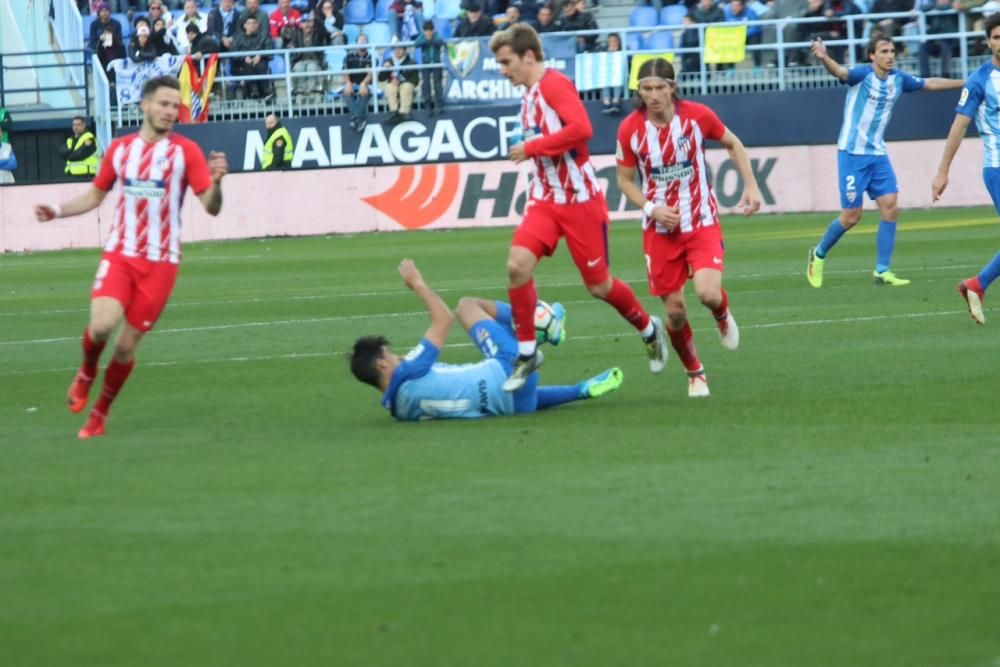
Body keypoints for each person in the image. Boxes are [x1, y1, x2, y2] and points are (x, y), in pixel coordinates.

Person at [33, 76, 228, 439]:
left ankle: (100, 414)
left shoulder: (185, 152)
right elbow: (95, 196)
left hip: (161, 263)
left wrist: (217, 184)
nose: (171, 112)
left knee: (124, 347)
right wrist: (57, 210)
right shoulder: (120, 149)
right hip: (121, 254)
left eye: (175, 106)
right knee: (102, 326)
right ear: (145, 105)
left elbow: (211, 207)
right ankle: (87, 370)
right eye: (165, 104)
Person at [490, 24, 666, 391]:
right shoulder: (527, 95)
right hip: (544, 200)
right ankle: (526, 353)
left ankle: (648, 329)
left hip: (580, 202)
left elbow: (582, 129)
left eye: (506, 62)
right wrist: (530, 146)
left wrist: (532, 148)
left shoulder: (554, 85)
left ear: (528, 56)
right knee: (516, 266)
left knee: (600, 286)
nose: (503, 70)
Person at [615, 58, 761, 398]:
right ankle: (695, 372)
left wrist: (751, 187)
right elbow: (623, 181)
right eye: (646, 89)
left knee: (708, 294)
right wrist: (652, 208)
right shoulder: (630, 130)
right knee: (675, 312)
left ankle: (721, 313)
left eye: (659, 88)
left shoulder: (697, 116)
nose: (653, 95)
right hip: (659, 229)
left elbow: (733, 143)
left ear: (673, 87)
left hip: (701, 221)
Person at [349, 259, 624, 421]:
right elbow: (444, 318)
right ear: (382, 364)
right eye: (391, 354)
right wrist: (418, 284)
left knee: (514, 388)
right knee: (467, 305)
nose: (398, 356)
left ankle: (582, 389)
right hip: (508, 367)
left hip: (513, 406)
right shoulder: (408, 371)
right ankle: (544, 324)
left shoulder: (399, 411)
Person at [805, 34, 963, 288]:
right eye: (884, 51)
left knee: (890, 206)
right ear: (872, 56)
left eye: (892, 51)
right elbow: (840, 72)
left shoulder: (898, 80)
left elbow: (929, 83)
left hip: (877, 154)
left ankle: (882, 270)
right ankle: (819, 253)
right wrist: (824, 57)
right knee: (851, 217)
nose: (890, 56)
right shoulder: (862, 75)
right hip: (852, 155)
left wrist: (964, 83)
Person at [932, 12, 1000, 325]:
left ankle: (976, 285)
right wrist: (943, 171)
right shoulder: (979, 81)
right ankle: (977, 284)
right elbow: (959, 125)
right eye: (996, 37)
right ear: (988, 42)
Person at [232, 16, 275, 100]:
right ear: (245, 26)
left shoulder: (264, 37)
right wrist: (243, 57)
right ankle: (254, 90)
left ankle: (266, 91)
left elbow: (269, 50)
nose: (252, 25)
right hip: (242, 64)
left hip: (260, 62)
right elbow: (233, 52)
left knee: (261, 66)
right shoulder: (238, 38)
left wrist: (260, 55)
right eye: (250, 23)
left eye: (254, 23)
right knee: (248, 66)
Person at [378, 42, 419, 124]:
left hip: (407, 88)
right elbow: (380, 78)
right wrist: (385, 69)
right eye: (395, 49)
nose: (397, 51)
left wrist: (401, 81)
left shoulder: (411, 62)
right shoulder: (389, 61)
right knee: (389, 86)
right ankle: (393, 112)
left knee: (406, 86)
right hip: (394, 87)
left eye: (400, 48)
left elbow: (415, 80)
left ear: (404, 50)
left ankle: (404, 113)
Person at [290, 15, 330, 96]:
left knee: (311, 68)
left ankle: (311, 91)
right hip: (300, 59)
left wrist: (315, 18)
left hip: (314, 59)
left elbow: (325, 32)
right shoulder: (296, 33)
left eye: (309, 22)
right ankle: (302, 92)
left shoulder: (318, 33)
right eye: (304, 22)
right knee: (298, 68)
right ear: (300, 24)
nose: (307, 24)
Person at [414, 20, 446, 115]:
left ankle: (439, 105)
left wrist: (431, 41)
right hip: (426, 64)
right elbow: (416, 44)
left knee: (437, 84)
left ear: (433, 30)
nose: (428, 32)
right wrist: (426, 40)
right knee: (426, 84)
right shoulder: (422, 36)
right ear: (423, 31)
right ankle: (427, 105)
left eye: (430, 30)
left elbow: (441, 42)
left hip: (436, 63)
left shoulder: (437, 35)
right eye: (426, 30)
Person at [343, 34, 373, 132]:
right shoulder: (348, 56)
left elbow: (370, 74)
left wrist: (364, 84)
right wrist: (348, 83)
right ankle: (359, 119)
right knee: (347, 92)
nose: (362, 42)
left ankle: (355, 119)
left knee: (364, 92)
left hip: (366, 84)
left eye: (364, 40)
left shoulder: (372, 58)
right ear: (356, 43)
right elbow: (345, 71)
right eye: (360, 41)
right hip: (352, 83)